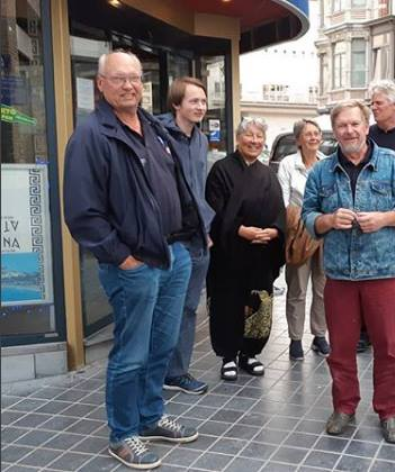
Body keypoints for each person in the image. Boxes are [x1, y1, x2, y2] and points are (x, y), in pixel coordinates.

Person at [64, 51, 204, 470]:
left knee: (162, 345)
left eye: (135, 78)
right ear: (100, 85)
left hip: (173, 253)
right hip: (134, 264)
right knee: (131, 353)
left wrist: (190, 237)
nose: (129, 85)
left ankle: (150, 415)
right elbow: (82, 213)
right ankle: (123, 433)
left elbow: (179, 187)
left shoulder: (154, 128)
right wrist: (123, 258)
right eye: (119, 78)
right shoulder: (92, 136)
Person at [302, 100, 395, 444]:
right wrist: (327, 220)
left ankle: (389, 411)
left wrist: (384, 218)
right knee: (341, 348)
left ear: (366, 126)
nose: (349, 131)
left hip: (382, 272)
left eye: (355, 124)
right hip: (339, 274)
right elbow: (308, 216)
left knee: (387, 348)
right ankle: (344, 407)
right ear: (335, 130)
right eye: (342, 125)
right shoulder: (322, 171)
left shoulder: (393, 164)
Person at [206, 117, 285, 382]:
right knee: (227, 301)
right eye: (249, 135)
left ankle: (250, 353)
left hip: (261, 252)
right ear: (239, 138)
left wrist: (275, 231)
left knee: (258, 300)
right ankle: (228, 355)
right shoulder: (221, 169)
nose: (254, 141)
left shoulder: (268, 174)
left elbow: (280, 210)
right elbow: (214, 208)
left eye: (259, 136)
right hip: (229, 251)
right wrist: (240, 230)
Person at [157, 77, 215, 395]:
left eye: (203, 101)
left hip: (197, 236)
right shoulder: (158, 135)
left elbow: (198, 188)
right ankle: (157, 372)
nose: (200, 107)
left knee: (190, 307)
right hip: (170, 237)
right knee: (166, 308)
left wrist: (206, 229)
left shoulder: (201, 140)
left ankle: (176, 372)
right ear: (176, 104)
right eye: (194, 101)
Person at [353, 80, 395, 354]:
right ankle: (363, 333)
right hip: (363, 223)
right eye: (371, 103)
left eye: (378, 103)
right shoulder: (364, 135)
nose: (374, 108)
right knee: (362, 280)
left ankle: (392, 336)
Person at [277, 119, 329, 361]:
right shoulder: (288, 164)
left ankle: (319, 335)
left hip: (325, 231)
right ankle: (295, 339)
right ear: (298, 139)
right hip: (298, 232)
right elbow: (283, 200)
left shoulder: (327, 163)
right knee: (297, 288)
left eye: (316, 133)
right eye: (308, 134)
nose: (314, 138)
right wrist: (301, 219)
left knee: (323, 288)